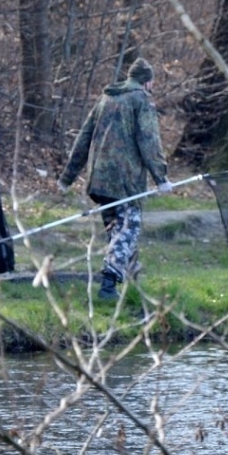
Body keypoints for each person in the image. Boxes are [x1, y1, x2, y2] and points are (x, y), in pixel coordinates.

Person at [58, 57, 173, 299]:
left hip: (99, 179)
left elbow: (83, 138)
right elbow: (149, 141)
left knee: (117, 231)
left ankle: (133, 281)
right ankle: (108, 285)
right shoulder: (141, 100)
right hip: (125, 181)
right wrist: (161, 177)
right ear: (148, 82)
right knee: (127, 229)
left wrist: (67, 177)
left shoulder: (106, 98)